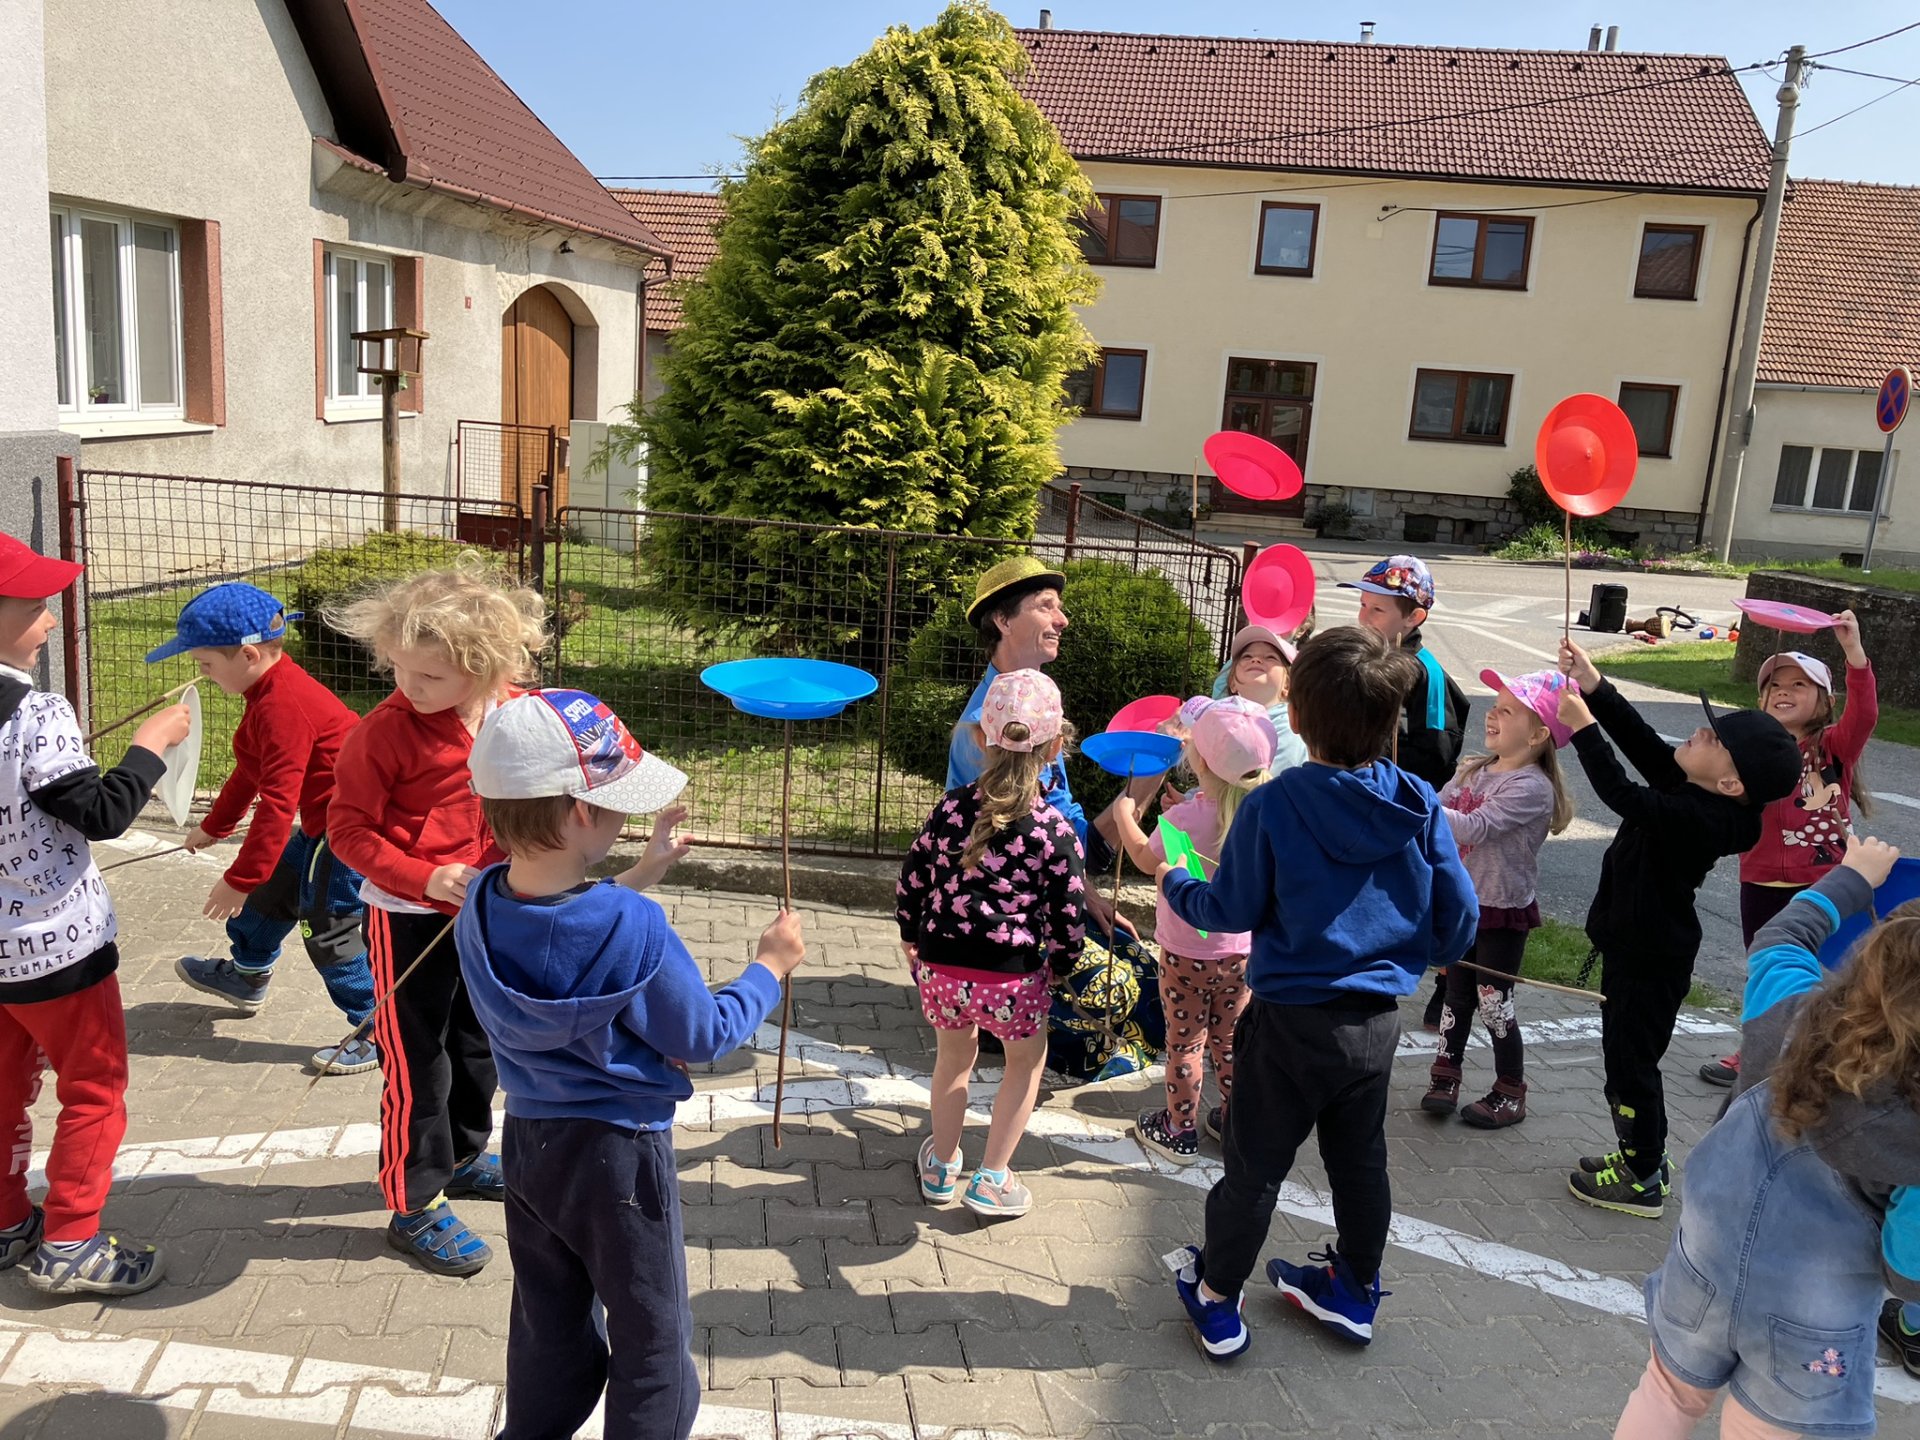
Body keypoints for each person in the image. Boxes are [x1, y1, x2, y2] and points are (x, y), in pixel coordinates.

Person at [455, 687, 805, 1440]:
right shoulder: (635, 924)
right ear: (583, 812)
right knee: (652, 1333)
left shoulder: (479, 903)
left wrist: (643, 869)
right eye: (618, 803)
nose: (625, 817)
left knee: (547, 1319)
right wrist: (767, 970)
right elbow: (706, 1034)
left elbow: (561, 924)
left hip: (530, 1147)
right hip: (620, 1157)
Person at [1158, 627, 1477, 1357]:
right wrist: (1415, 950)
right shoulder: (1419, 800)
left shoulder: (1274, 804)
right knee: (1360, 1164)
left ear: (1295, 717)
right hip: (1374, 1026)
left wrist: (1175, 880)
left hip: (1287, 1024)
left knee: (1253, 1169)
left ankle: (1217, 1298)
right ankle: (1355, 1289)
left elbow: (1230, 909)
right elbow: (1458, 921)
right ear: (1390, 719)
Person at [1614, 834, 1920, 1438]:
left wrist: (1854, 875)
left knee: (1666, 1393)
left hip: (1702, 1265)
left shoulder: (1790, 1012)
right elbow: (1908, 1272)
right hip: (1814, 1322)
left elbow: (1781, 936)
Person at [328, 567, 547, 1276]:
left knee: (478, 1043)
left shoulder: (516, 711)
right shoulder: (382, 733)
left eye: (429, 675)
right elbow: (347, 832)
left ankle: (461, 1157)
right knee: (416, 1063)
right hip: (407, 918)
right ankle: (413, 1202)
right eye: (399, 667)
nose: (409, 686)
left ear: (485, 668)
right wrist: (422, 877)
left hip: (486, 908)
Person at [0, 534, 191, 1296]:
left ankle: (7, 1221)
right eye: (35, 607)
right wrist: (151, 745)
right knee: (94, 1090)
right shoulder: (37, 714)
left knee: (2, 1090)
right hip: (59, 953)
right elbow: (103, 813)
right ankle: (72, 1241)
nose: (50, 620)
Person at [1556, 638, 1800, 1218]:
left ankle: (1642, 1175)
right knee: (1627, 1060)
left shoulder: (1700, 817)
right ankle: (1644, 1154)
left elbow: (1621, 794)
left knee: (1630, 1067)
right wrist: (1595, 686)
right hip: (1636, 948)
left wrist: (1583, 729)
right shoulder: (1698, 789)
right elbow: (1641, 741)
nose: (1700, 732)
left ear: (1732, 784)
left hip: (1650, 958)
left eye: (1715, 739)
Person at [149, 583, 378, 1073]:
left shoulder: (282, 707)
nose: (203, 674)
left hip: (348, 831)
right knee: (271, 895)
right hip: (322, 822)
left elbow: (276, 803)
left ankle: (376, 1028)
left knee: (329, 926)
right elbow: (251, 767)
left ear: (249, 655)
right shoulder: (267, 690)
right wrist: (215, 826)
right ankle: (247, 975)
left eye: (207, 664)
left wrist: (239, 877)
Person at [902, 668, 1086, 1217]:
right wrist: (1062, 963)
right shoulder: (1053, 830)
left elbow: (913, 879)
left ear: (981, 738)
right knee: (1024, 1064)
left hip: (941, 967)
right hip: (1012, 976)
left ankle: (941, 1165)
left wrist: (911, 936)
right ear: (1055, 748)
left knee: (952, 1060)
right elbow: (1069, 912)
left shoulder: (949, 809)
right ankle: (993, 1178)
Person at [1700, 612, 1878, 1089]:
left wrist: (1853, 652)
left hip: (1822, 882)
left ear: (1825, 702)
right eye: (1774, 684)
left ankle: (1831, 1055)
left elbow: (1864, 715)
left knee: (1830, 972)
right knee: (1765, 967)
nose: (1784, 691)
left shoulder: (1833, 746)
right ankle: (1757, 1050)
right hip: (1759, 880)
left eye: (1799, 684)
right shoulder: (1749, 751)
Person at [1108, 697, 1276, 1163]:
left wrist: (1125, 817)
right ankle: (1237, 1123)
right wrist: (1185, 806)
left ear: (1199, 759)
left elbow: (1147, 859)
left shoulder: (1184, 819)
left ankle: (1178, 1129)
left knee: (1185, 1043)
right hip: (1241, 953)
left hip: (1185, 955)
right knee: (1230, 1040)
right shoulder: (1261, 812)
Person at [1422, 669, 1576, 1129]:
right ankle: (1445, 1076)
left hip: (1501, 909)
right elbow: (1440, 805)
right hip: (1463, 903)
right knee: (1455, 995)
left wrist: (1418, 804)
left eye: (1507, 711)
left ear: (1538, 734)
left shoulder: (1531, 787)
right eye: (1495, 706)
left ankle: (1511, 1090)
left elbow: (1475, 827)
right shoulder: (1473, 769)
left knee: (1494, 1003)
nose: (1492, 714)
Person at [1342, 555, 1468, 1030]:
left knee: (1406, 898)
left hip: (1397, 810)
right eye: (1362, 605)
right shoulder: (1367, 660)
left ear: (1414, 617)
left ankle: (1442, 985)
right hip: (1359, 801)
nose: (1363, 617)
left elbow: (1436, 755)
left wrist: (1385, 778)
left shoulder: (1424, 673)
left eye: (1377, 610)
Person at [1208, 625, 1308, 772]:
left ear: (1287, 685)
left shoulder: (1287, 730)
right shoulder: (1223, 721)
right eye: (1247, 656)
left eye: (1270, 657)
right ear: (1232, 682)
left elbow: (1269, 783)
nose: (1255, 659)